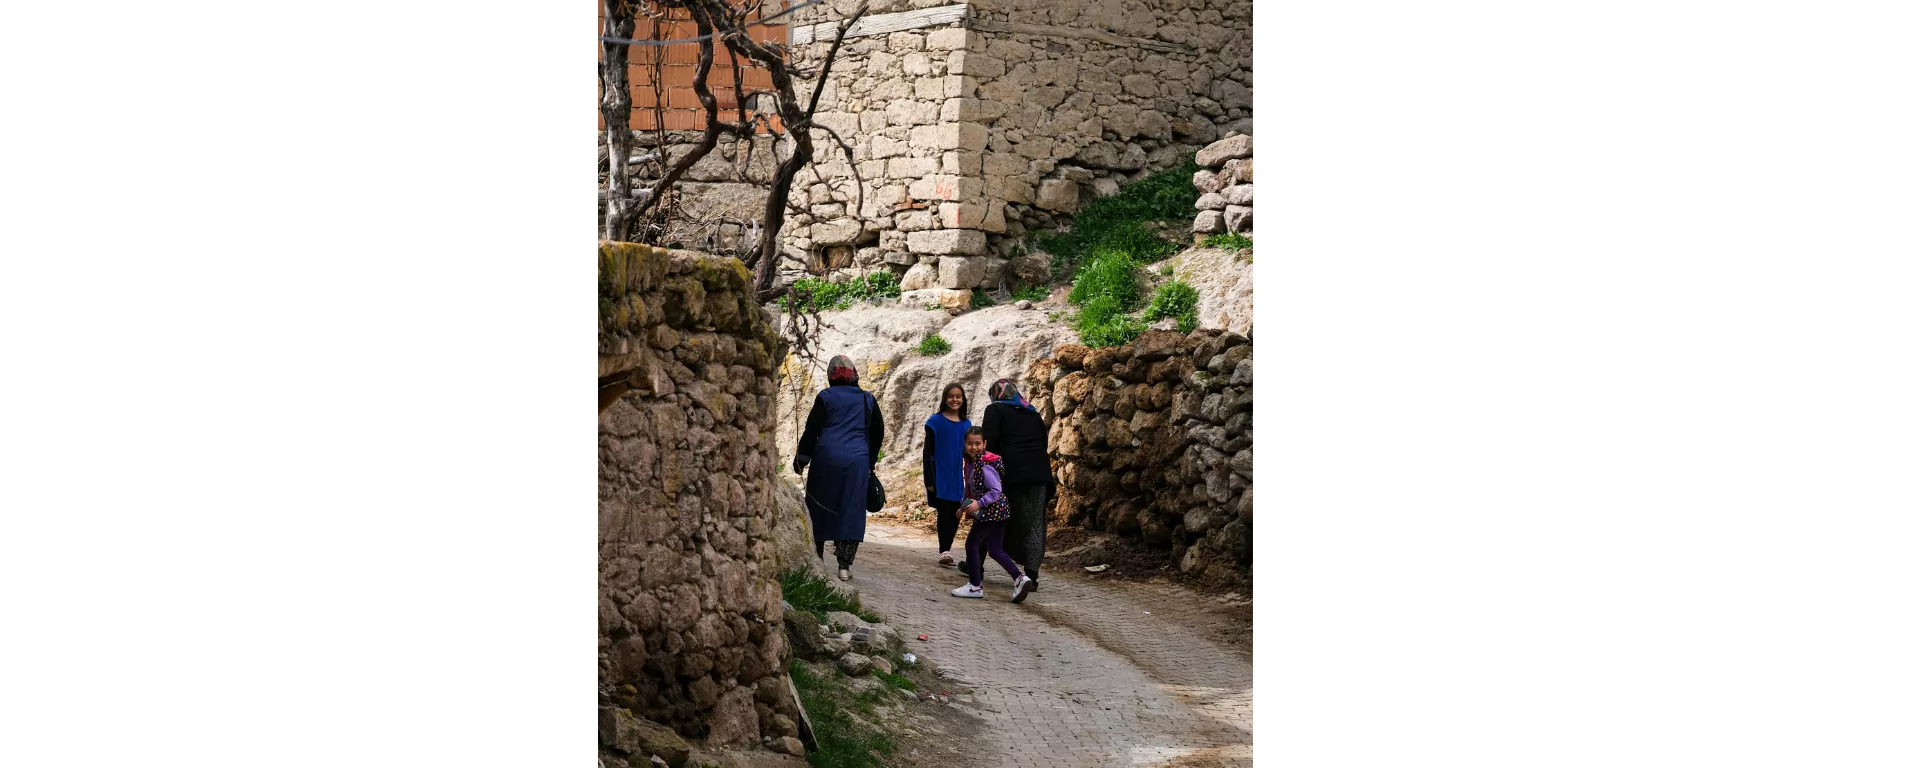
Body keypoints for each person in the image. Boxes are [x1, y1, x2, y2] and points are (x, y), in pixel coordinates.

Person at [794, 354, 884, 581]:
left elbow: (812, 430)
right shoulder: (868, 399)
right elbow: (877, 434)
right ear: (855, 376)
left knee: (819, 506)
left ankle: (817, 561)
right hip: (857, 461)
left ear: (830, 377)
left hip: (826, 458)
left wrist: (801, 459)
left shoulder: (825, 397)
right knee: (852, 509)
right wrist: (869, 461)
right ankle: (844, 567)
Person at [981, 377, 1053, 592]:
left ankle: (976, 566)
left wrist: (985, 474)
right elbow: (1043, 442)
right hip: (1039, 474)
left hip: (1010, 475)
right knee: (1035, 524)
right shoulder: (1032, 411)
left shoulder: (994, 410)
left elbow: (989, 444)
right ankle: (1032, 575)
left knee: (991, 516)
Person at [951, 428, 1032, 601]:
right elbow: (970, 489)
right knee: (995, 549)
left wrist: (978, 504)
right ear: (965, 445)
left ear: (985, 444)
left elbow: (996, 490)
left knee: (971, 545)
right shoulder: (971, 463)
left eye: (978, 443)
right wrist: (963, 507)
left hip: (991, 513)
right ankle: (1020, 578)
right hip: (999, 513)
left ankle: (974, 586)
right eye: (970, 443)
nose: (974, 447)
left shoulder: (985, 464)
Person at [922, 383, 972, 567]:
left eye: (958, 396)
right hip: (939, 474)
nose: (955, 399)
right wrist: (929, 478)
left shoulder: (967, 424)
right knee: (944, 512)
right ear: (945, 398)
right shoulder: (935, 422)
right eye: (951, 396)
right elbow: (927, 453)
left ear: (963, 399)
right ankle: (944, 551)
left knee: (955, 513)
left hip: (957, 476)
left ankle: (947, 548)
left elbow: (970, 453)